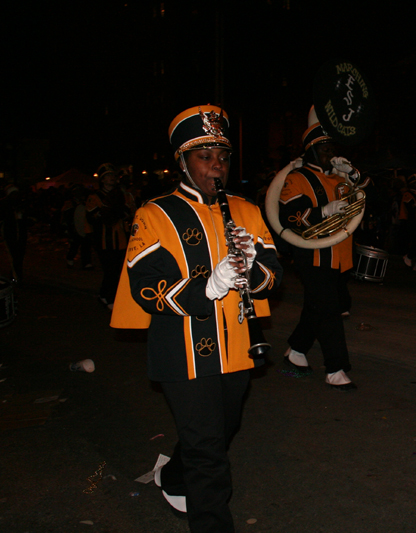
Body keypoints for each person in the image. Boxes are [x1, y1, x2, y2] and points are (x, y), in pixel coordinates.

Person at [111, 105, 283, 532]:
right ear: (183, 162)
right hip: (183, 350)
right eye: (204, 156)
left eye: (222, 157)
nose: (216, 166)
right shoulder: (154, 213)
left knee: (221, 429)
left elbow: (274, 275)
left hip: (238, 346)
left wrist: (251, 266)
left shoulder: (245, 209)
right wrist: (207, 286)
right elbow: (144, 285)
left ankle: (172, 476)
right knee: (208, 451)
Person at [277, 106, 359, 391]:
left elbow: (368, 199)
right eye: (324, 148)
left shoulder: (339, 177)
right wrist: (323, 211)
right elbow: (289, 217)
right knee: (329, 310)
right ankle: (336, 368)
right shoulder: (297, 178)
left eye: (331, 147)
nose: (329, 152)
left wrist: (353, 174)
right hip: (313, 254)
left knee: (317, 306)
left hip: (339, 254)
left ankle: (297, 349)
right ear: (310, 150)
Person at [86, 163, 134, 309]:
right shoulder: (94, 197)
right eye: (108, 176)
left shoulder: (123, 195)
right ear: (102, 180)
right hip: (104, 239)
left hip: (121, 238)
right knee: (110, 270)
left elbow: (129, 214)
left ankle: (104, 295)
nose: (111, 178)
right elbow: (92, 217)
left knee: (118, 270)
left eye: (113, 175)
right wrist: (108, 210)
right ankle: (109, 297)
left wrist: (119, 209)